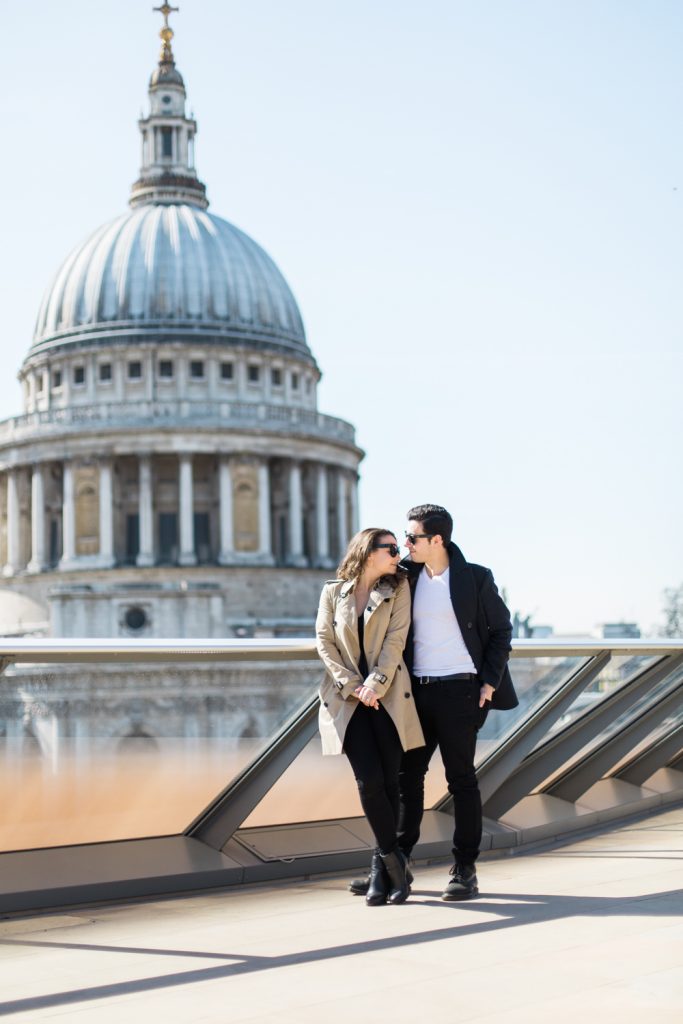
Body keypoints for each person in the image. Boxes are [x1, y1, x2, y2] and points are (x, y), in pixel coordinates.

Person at [350, 504, 517, 901]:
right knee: (406, 779)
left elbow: (502, 631)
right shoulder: (403, 578)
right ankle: (395, 862)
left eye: (412, 538)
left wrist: (489, 684)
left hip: (462, 691)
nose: (404, 544)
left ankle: (464, 869)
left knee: (461, 781)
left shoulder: (475, 578)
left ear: (437, 540)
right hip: (414, 692)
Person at [316, 528, 425, 906]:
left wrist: (374, 686)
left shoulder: (399, 588)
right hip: (348, 700)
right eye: (391, 549)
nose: (399, 554)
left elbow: (396, 642)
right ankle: (396, 864)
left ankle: (382, 870)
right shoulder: (333, 591)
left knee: (392, 785)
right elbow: (324, 642)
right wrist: (352, 686)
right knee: (369, 782)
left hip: (388, 697)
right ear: (367, 552)